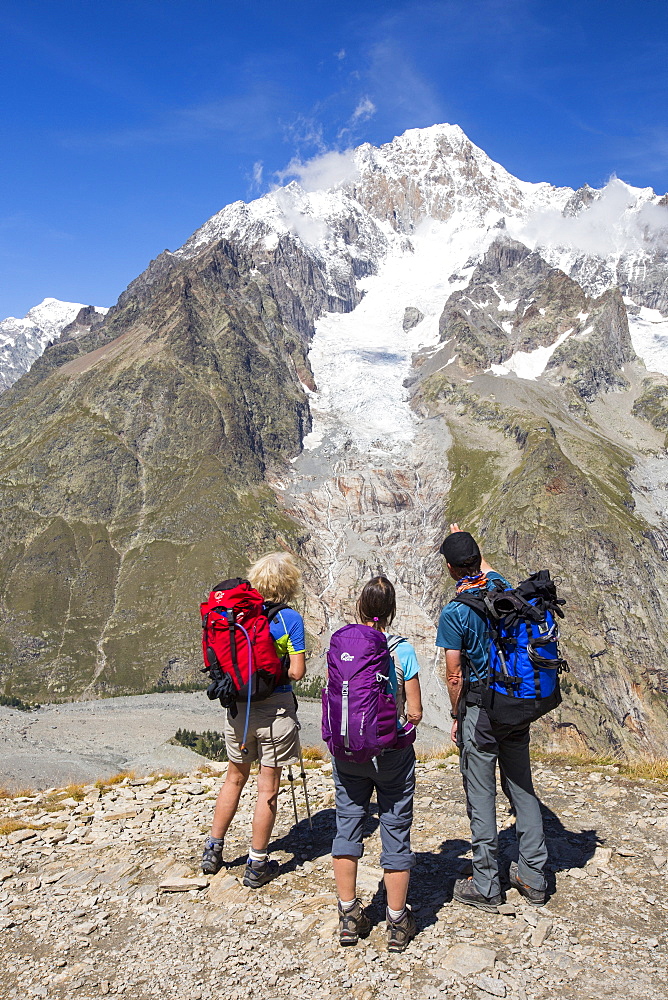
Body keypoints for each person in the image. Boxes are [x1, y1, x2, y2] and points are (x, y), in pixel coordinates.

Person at [436, 525, 548, 911]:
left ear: (450, 568)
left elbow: (454, 674)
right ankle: (533, 876)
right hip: (516, 706)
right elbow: (485, 565)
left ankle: (486, 884)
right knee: (521, 786)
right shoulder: (502, 588)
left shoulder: (455, 612)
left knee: (480, 796)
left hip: (480, 712)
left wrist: (455, 713)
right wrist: (466, 537)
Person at [330, 576, 423, 952]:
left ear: (360, 608)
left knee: (347, 825)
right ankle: (398, 923)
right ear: (392, 611)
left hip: (347, 752)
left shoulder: (344, 647)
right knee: (395, 828)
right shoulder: (402, 650)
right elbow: (415, 711)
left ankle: (349, 916)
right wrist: (395, 726)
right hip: (391, 756)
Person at [201, 551, 306, 887]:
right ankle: (257, 863)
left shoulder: (241, 615)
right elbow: (297, 672)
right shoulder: (289, 619)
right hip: (274, 708)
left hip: (239, 710)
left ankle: (213, 849)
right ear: (289, 583)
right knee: (268, 787)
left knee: (234, 777)